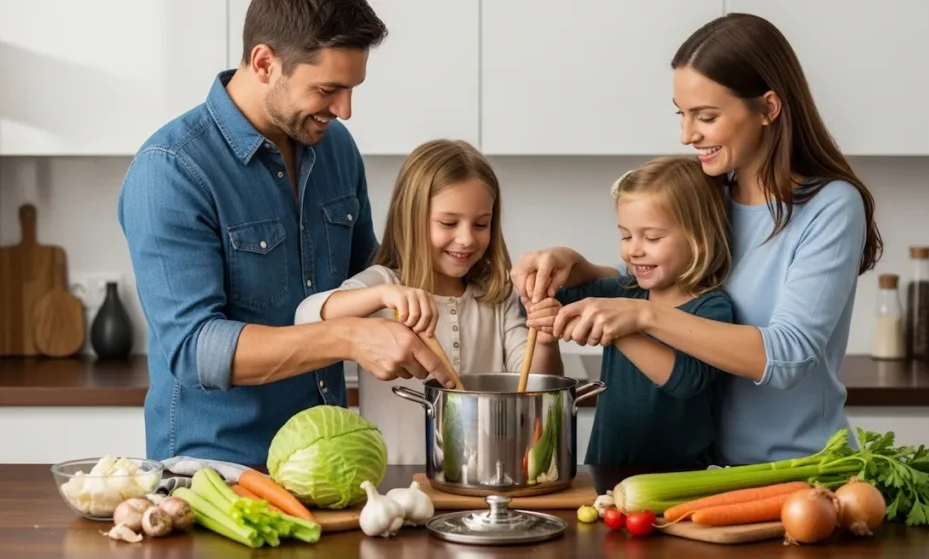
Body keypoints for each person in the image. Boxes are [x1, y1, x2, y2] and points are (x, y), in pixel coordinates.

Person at [511, 13, 883, 467]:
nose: (687, 135)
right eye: (681, 114)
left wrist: (640, 315)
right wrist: (582, 268)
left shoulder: (830, 205)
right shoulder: (711, 190)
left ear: (768, 107)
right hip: (704, 474)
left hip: (797, 470)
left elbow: (788, 357)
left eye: (706, 116)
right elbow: (669, 286)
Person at [117, 0, 455, 466]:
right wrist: (348, 339)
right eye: (328, 89)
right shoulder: (171, 171)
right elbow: (196, 350)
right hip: (218, 474)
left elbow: (367, 276)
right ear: (264, 63)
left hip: (330, 461)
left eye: (353, 89)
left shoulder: (335, 148)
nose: (346, 110)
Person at [294, 138, 565, 465]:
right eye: (448, 223)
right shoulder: (385, 283)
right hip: (395, 482)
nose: (466, 238)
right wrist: (381, 295)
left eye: (481, 224)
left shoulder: (497, 293)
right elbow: (306, 318)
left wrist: (547, 342)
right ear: (412, 219)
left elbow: (531, 388)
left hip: (482, 478)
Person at [526, 156, 735, 470]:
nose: (633, 250)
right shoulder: (623, 289)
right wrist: (544, 295)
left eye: (651, 238)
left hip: (681, 479)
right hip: (605, 468)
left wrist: (619, 330)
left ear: (700, 240)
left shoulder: (712, 307)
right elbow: (555, 297)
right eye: (626, 235)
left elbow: (687, 381)